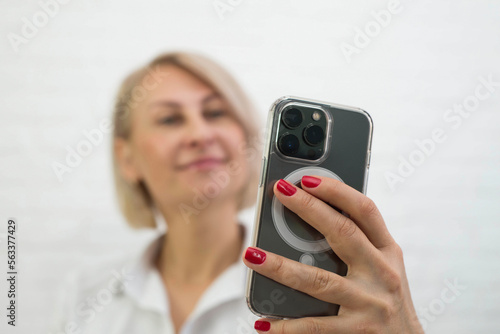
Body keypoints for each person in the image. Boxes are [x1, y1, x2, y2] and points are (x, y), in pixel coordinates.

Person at [48, 51, 424, 334]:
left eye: (214, 113)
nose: (199, 134)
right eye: (170, 118)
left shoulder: (340, 300)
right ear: (126, 158)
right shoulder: (84, 296)